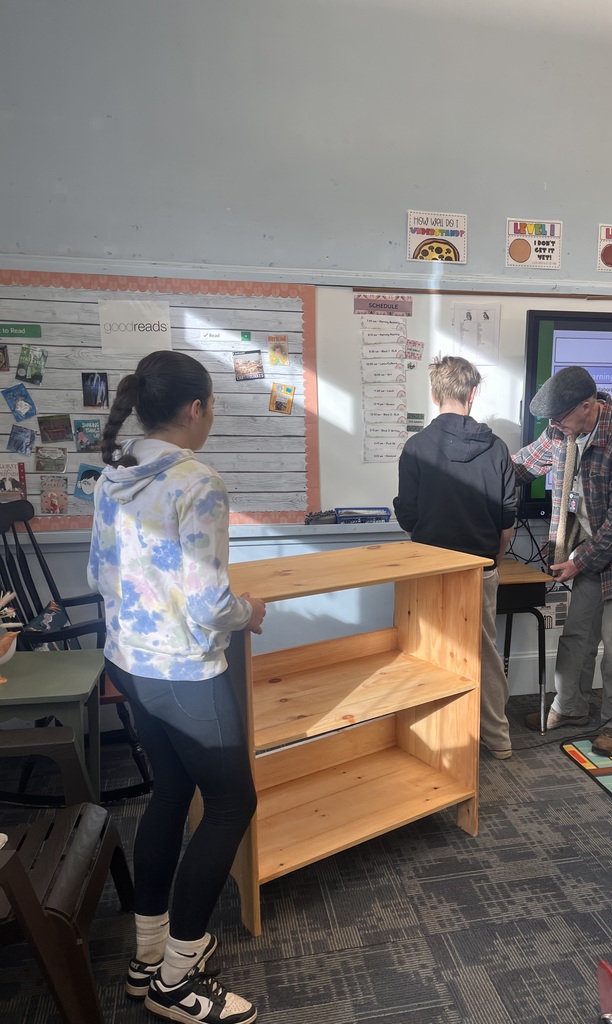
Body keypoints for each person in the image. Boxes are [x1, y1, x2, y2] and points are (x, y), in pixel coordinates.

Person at [87, 350, 265, 1024]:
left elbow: (99, 576)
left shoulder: (114, 471)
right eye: (212, 405)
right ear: (196, 409)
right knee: (230, 804)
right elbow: (209, 605)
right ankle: (176, 981)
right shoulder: (197, 481)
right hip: (185, 672)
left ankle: (147, 957)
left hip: (129, 664)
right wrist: (250, 610)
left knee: (170, 791)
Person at [512, 365, 612, 757]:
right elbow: (521, 465)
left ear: (588, 406)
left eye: (561, 418)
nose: (554, 426)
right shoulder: (561, 430)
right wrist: (475, 465)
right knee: (578, 637)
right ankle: (570, 710)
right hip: (593, 551)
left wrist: (580, 560)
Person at [393, 355, 517, 759]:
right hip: (480, 569)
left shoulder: (415, 447)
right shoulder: (498, 450)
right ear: (473, 393)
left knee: (426, 652)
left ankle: (435, 739)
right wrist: (493, 561)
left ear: (434, 395)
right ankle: (497, 738)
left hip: (429, 567)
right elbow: (506, 521)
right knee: (483, 649)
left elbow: (408, 517)